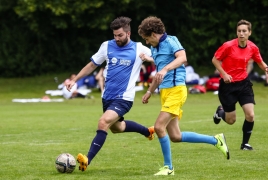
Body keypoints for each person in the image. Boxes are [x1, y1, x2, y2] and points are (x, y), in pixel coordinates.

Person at [138, 16, 229, 176]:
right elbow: (159, 72)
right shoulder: (155, 48)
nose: (146, 43)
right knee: (175, 136)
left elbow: (182, 58)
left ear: (153, 34)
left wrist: (165, 69)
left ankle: (169, 168)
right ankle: (216, 140)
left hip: (177, 90)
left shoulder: (171, 41)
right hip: (165, 93)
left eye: (146, 39)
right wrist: (149, 91)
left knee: (159, 127)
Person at [66, 16, 155, 172]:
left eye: (120, 35)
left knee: (103, 122)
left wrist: (150, 59)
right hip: (107, 98)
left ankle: (87, 160)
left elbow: (161, 58)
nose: (117, 38)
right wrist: (76, 80)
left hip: (124, 98)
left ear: (128, 33)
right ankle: (148, 132)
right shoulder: (107, 46)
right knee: (117, 127)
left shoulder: (139, 48)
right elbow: (92, 65)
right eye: (115, 35)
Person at [212, 19, 268, 150]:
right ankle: (220, 112)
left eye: (244, 31)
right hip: (228, 85)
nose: (241, 33)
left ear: (249, 33)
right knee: (231, 120)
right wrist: (224, 74)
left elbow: (260, 62)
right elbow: (215, 59)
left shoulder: (253, 47)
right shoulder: (228, 46)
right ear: (236, 32)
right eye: (239, 31)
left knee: (250, 115)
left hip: (244, 84)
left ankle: (245, 144)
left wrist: (266, 69)